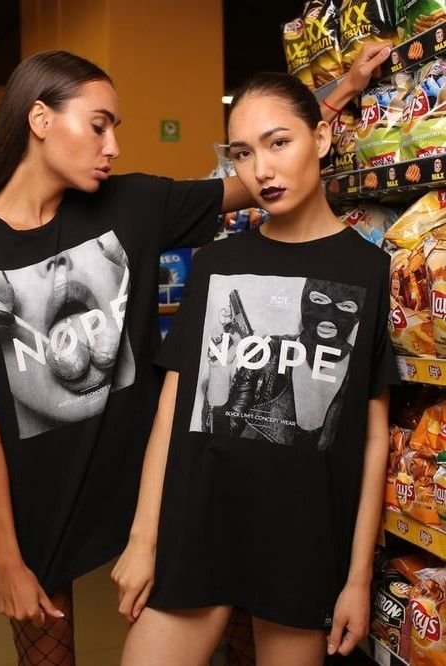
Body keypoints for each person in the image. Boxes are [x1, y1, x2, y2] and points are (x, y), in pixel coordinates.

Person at [0, 41, 389, 665]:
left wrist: (339, 95)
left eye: (115, 127)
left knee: (232, 633)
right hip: (44, 497)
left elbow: (260, 178)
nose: (114, 145)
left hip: (150, 480)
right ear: (40, 120)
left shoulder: (133, 204)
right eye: (99, 126)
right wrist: (5, 555)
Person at [112, 68, 399, 666]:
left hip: (300, 540)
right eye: (243, 153)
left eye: (278, 142)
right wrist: (143, 540)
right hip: (199, 524)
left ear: (321, 137)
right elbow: (173, 408)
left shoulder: (368, 272)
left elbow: (372, 437)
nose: (261, 170)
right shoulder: (215, 264)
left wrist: (357, 578)